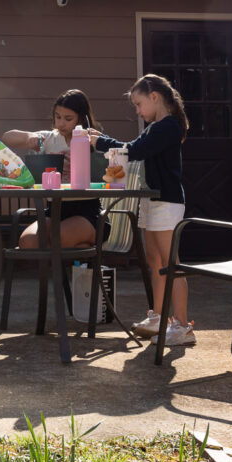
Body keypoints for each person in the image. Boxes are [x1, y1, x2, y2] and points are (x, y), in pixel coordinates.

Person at [91, 73, 195, 347]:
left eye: (138, 104)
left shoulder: (168, 126)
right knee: (154, 261)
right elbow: (134, 149)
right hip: (152, 199)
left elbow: (133, 151)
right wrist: (102, 141)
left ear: (154, 97)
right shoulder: (155, 127)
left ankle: (183, 326)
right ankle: (158, 317)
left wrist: (100, 141)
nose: (137, 111)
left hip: (167, 202)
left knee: (171, 263)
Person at [2, 89, 103, 249]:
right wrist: (29, 138)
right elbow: (7, 136)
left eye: (68, 118)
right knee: (28, 242)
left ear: (82, 118)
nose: (61, 123)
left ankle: (76, 260)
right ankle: (75, 252)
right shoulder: (48, 139)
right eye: (58, 117)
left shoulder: (91, 138)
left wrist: (96, 142)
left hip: (87, 211)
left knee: (59, 237)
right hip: (54, 210)